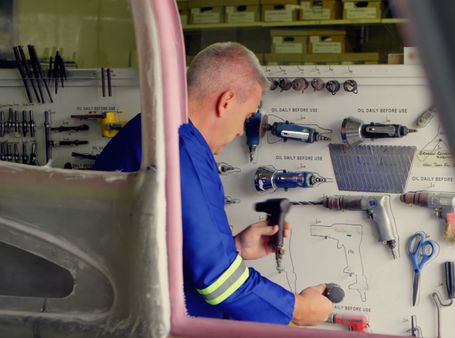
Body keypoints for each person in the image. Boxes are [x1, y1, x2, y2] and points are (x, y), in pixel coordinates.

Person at [94, 42, 333, 325]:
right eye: (246, 118)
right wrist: (300, 309)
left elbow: (148, 248)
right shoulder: (182, 148)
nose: (238, 131)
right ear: (227, 101)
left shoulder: (147, 129)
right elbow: (219, 282)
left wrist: (234, 248)